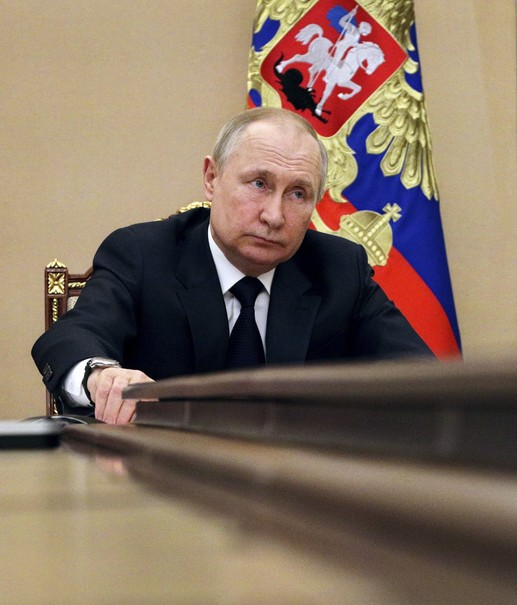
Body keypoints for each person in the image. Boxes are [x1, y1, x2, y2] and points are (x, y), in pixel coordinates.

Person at [32, 107, 433, 424]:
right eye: (259, 184)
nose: (274, 216)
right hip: (159, 487)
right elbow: (71, 337)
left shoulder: (339, 268)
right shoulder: (143, 253)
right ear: (212, 178)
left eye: (297, 193)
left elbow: (418, 375)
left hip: (297, 493)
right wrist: (103, 376)